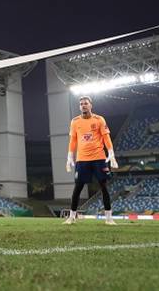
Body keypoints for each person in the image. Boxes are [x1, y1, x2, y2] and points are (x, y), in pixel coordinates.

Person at [64, 96, 118, 225]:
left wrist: (111, 154)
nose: (83, 105)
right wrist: (69, 156)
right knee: (77, 188)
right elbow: (73, 140)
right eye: (81, 104)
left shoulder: (99, 119)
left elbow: (106, 137)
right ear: (79, 106)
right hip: (82, 160)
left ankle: (109, 218)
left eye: (86, 103)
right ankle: (71, 217)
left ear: (90, 105)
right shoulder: (75, 121)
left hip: (99, 158)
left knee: (103, 187)